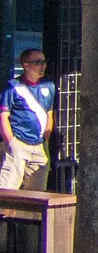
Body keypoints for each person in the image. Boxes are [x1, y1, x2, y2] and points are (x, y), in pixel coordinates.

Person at [0, 48, 54, 190]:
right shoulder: (12, 87)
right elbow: (3, 117)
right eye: (37, 62)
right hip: (18, 142)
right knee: (8, 189)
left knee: (37, 191)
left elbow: (49, 115)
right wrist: (11, 143)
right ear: (26, 65)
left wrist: (45, 142)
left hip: (39, 145)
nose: (42, 66)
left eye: (44, 62)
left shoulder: (49, 86)